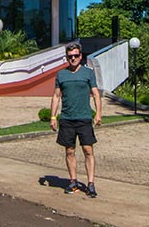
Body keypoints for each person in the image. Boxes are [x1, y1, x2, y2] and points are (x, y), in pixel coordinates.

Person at [50, 41, 102, 197]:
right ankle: (73, 181)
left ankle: (91, 183)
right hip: (67, 118)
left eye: (76, 56)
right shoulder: (61, 74)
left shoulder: (88, 73)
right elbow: (56, 96)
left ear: (81, 56)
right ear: (67, 57)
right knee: (69, 151)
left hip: (84, 118)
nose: (73, 58)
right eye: (70, 56)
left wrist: (98, 113)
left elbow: (96, 94)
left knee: (88, 150)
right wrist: (53, 116)